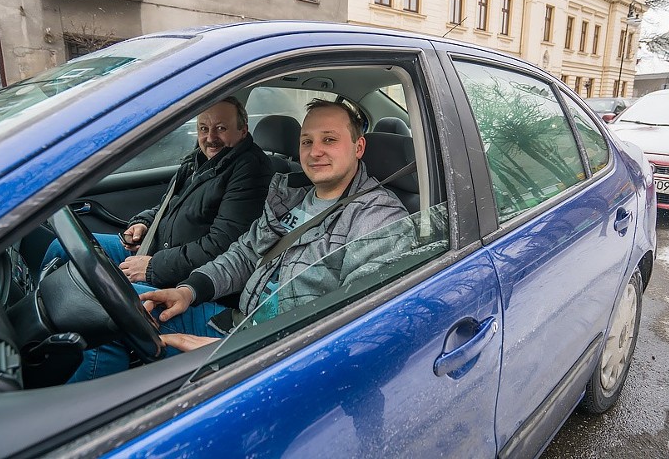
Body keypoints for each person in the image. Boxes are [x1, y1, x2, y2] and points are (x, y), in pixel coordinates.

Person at [69, 99, 414, 380]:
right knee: (116, 310)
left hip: (276, 357)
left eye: (329, 139)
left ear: (358, 146)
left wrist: (237, 354)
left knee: (121, 323)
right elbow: (244, 254)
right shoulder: (290, 194)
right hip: (237, 324)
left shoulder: (377, 219)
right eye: (307, 141)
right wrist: (189, 290)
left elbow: (359, 331)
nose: (314, 152)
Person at [42, 97, 273, 288]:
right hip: (155, 251)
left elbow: (222, 246)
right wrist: (144, 224)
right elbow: (167, 205)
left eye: (221, 128)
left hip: (181, 273)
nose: (210, 137)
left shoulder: (249, 169)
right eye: (203, 128)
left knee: (106, 300)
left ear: (243, 131)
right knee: (61, 247)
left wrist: (153, 267)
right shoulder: (198, 160)